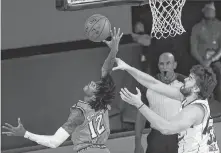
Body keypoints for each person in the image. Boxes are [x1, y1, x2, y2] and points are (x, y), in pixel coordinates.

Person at [1, 27, 123, 153]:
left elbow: (54, 142)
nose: (92, 82)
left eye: (95, 86)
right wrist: (114, 50)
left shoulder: (80, 112)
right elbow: (105, 70)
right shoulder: (104, 105)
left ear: (95, 96)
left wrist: (25, 134)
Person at [113, 58, 220, 153]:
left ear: (196, 89)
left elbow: (166, 128)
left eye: (190, 79)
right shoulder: (187, 96)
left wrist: (139, 104)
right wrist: (128, 68)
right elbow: (153, 83)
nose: (186, 79)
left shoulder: (194, 111)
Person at [135, 52, 186, 153]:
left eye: (168, 63)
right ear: (158, 66)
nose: (165, 67)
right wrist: (137, 143)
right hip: (157, 137)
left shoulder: (186, 83)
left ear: (174, 65)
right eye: (162, 64)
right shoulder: (148, 84)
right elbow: (141, 115)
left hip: (181, 136)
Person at [190, 2, 221, 102]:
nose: (210, 11)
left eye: (212, 9)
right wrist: (202, 61)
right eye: (208, 9)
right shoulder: (196, 27)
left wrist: (211, 59)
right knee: (198, 75)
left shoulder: (219, 26)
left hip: (215, 59)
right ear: (203, 10)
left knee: (219, 71)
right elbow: (193, 48)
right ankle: (201, 101)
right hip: (200, 60)